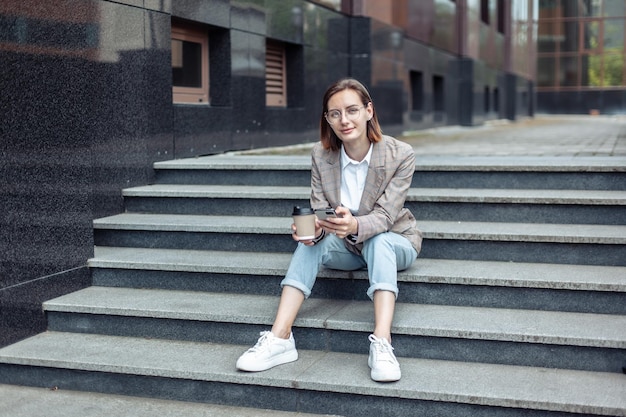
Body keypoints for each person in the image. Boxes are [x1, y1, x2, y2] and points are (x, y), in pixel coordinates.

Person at [236, 78, 422, 382]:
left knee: (379, 241)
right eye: (334, 113)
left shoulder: (400, 154)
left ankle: (383, 343)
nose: (344, 120)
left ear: (368, 110)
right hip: (347, 246)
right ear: (327, 119)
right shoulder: (321, 156)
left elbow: (386, 216)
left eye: (351, 110)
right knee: (307, 245)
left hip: (396, 241)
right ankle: (280, 338)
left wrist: (356, 224)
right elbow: (320, 210)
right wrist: (312, 231)